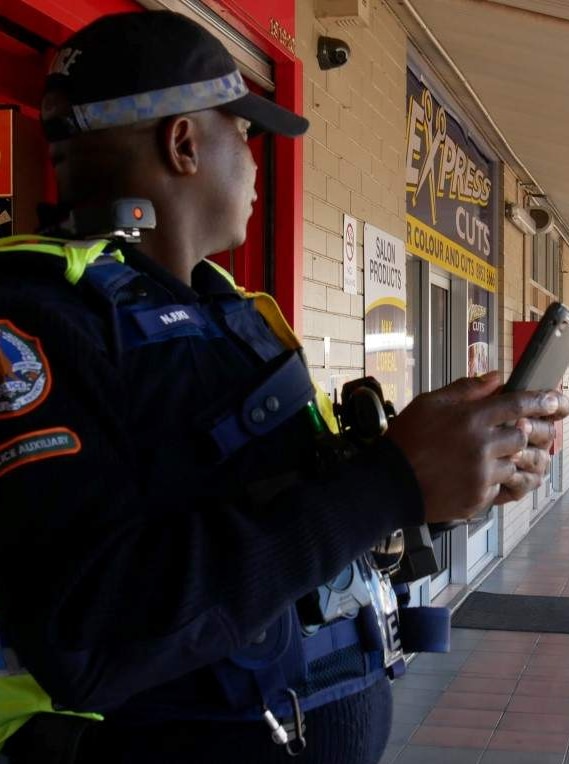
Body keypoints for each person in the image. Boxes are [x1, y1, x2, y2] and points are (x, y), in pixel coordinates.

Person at [0, 10, 565, 764]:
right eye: (245, 132)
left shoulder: (223, 308)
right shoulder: (35, 323)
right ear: (184, 142)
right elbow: (90, 634)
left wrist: (445, 482)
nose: (255, 160)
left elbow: (297, 530)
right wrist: (390, 480)